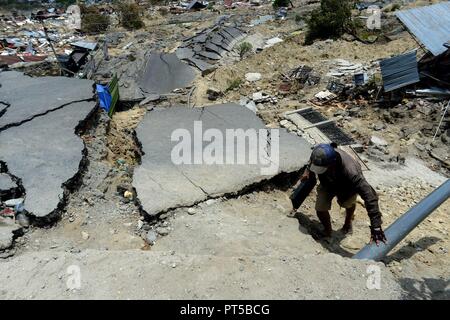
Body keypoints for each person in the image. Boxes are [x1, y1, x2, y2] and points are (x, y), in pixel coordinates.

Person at [301, 143, 387, 245]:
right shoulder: (320, 155)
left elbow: (370, 197)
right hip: (327, 183)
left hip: (347, 186)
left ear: (333, 164)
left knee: (347, 204)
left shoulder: (352, 172)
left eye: (323, 168)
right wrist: (307, 171)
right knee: (320, 208)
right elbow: (312, 161)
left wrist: (376, 226)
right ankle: (328, 231)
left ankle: (347, 223)